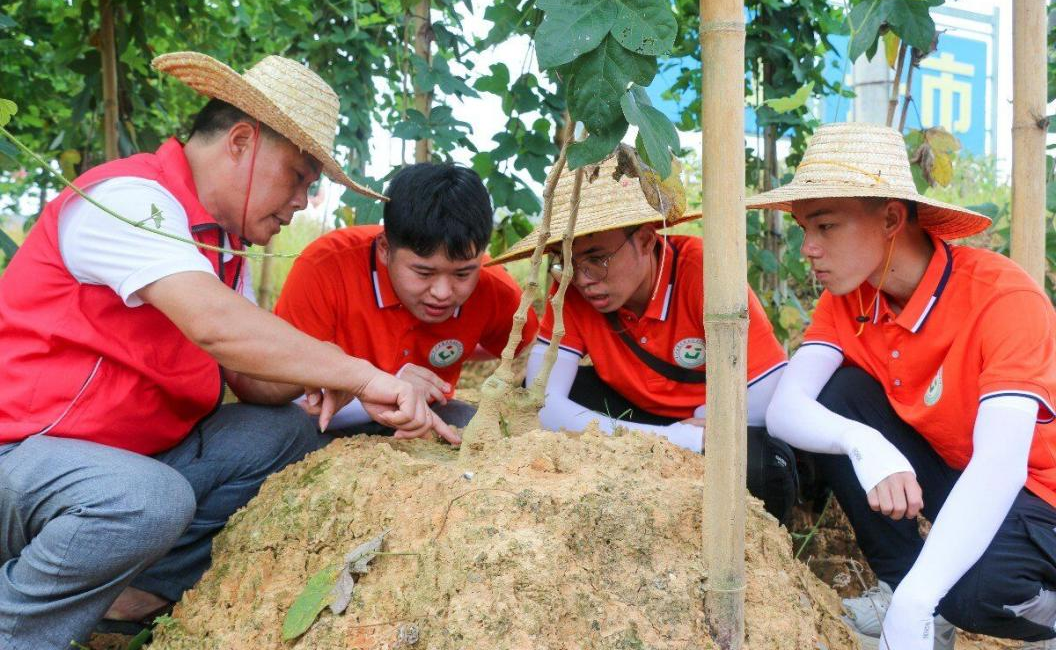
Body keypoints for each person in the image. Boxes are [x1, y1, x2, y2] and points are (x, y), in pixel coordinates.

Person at [0, 52, 457, 650]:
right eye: (298, 176)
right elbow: (214, 324)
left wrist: (329, 382)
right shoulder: (129, 199)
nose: (303, 202)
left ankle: (125, 599)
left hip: (115, 468)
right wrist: (359, 371)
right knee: (147, 500)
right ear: (241, 141)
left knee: (284, 434)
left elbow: (254, 381)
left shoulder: (221, 245)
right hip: (24, 456)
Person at [749, 122, 1056, 650]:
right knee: (840, 398)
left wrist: (924, 596)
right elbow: (786, 408)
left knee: (970, 594)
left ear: (891, 218)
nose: (808, 249)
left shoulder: (1001, 296)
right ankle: (907, 597)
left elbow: (1000, 466)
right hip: (959, 472)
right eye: (804, 228)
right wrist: (865, 443)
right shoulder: (851, 297)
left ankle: (972, 607)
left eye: (825, 226)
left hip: (1038, 492)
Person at [491, 159, 798, 522]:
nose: (584, 278)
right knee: (569, 395)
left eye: (597, 258)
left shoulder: (705, 271)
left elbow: (770, 389)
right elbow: (541, 399)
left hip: (713, 417)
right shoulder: (569, 288)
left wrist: (705, 422)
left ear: (645, 240)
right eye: (567, 261)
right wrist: (670, 438)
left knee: (762, 464)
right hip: (647, 415)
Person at [269, 162, 538, 430]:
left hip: (426, 415)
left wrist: (460, 348)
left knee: (474, 428)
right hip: (327, 418)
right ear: (385, 249)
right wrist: (390, 382)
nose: (442, 293)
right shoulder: (326, 268)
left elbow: (522, 345)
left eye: (462, 274)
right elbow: (285, 385)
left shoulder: (494, 290)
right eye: (423, 273)